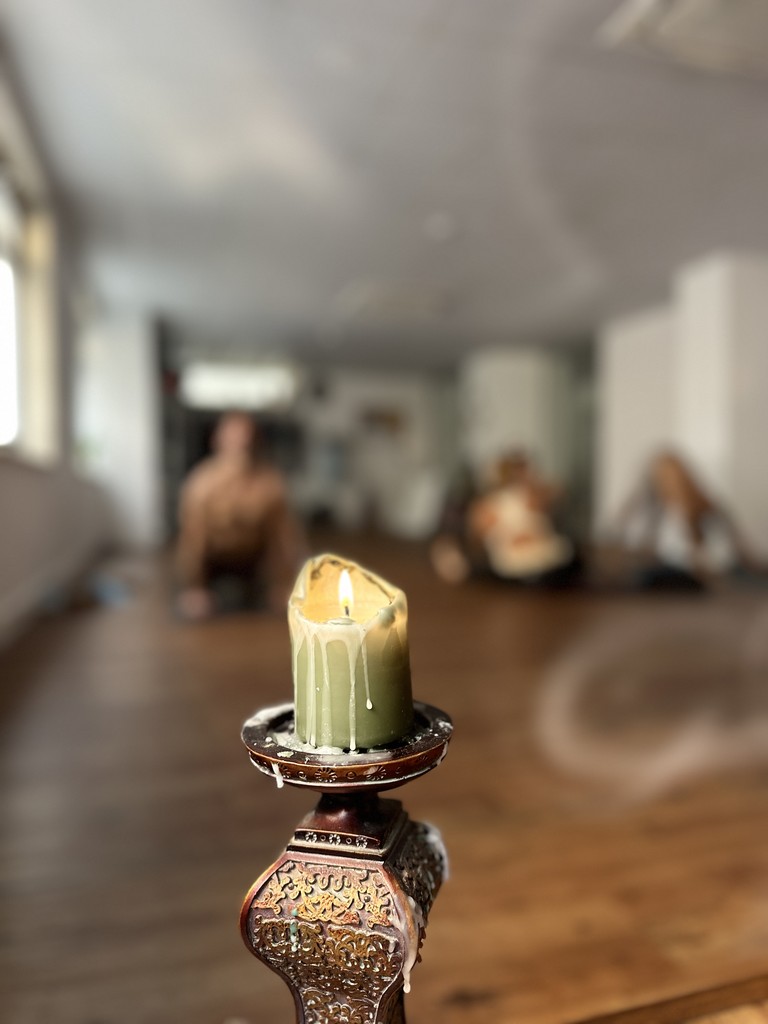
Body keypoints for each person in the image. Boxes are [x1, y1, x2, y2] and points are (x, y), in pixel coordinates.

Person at [176, 412, 304, 619]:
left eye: (246, 435)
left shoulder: (270, 483)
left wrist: (285, 583)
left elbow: (283, 538)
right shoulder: (201, 483)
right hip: (214, 563)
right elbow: (192, 540)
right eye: (233, 435)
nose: (241, 441)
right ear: (218, 439)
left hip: (253, 562)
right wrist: (193, 586)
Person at [614, 449, 759, 590]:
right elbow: (626, 542)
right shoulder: (647, 511)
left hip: (704, 585)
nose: (668, 483)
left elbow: (718, 560)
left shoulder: (705, 511)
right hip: (665, 583)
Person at [430, 451, 578, 586]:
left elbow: (553, 496)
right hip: (511, 551)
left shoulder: (531, 495)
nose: (525, 474)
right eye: (520, 470)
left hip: (539, 545)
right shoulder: (492, 502)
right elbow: (483, 532)